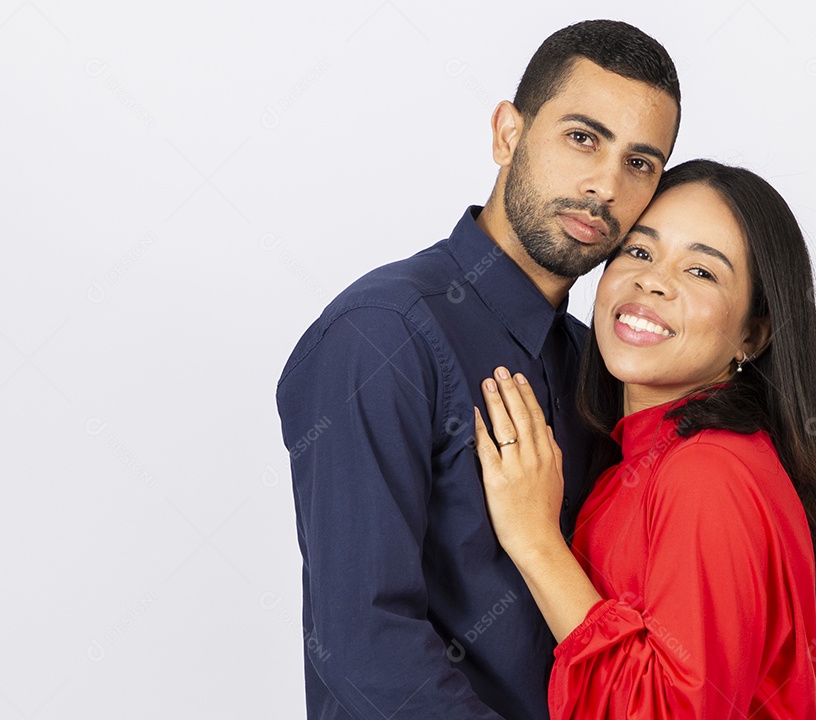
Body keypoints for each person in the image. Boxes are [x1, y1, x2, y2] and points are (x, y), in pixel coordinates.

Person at [275, 20, 680, 719]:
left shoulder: (600, 367)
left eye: (639, 163)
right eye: (583, 138)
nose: (605, 185)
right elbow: (365, 644)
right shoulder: (380, 337)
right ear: (507, 134)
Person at [474, 159, 816, 718]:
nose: (653, 280)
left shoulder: (708, 473)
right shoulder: (646, 458)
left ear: (753, 336)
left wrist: (536, 540)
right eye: (638, 252)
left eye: (702, 272)